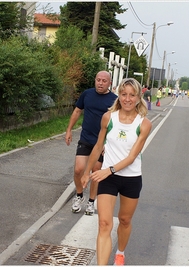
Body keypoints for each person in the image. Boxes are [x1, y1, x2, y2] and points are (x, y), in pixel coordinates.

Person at [80, 78, 152, 265]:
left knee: (124, 220)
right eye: (124, 94)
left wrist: (107, 171)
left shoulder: (143, 124)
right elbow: (98, 146)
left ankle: (120, 253)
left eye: (132, 95)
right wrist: (87, 172)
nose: (127, 99)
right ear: (118, 95)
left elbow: (131, 157)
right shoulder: (108, 118)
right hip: (108, 179)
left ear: (138, 97)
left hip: (131, 178)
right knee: (104, 223)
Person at [65, 70, 117, 215]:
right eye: (98, 80)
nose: (100, 83)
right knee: (78, 170)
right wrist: (69, 130)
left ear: (109, 83)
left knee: (96, 172)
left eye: (104, 81)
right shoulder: (87, 94)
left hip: (101, 143)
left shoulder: (114, 100)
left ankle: (91, 201)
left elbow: (116, 123)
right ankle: (79, 196)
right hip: (86, 138)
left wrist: (108, 143)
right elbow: (77, 112)